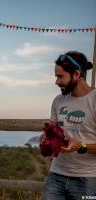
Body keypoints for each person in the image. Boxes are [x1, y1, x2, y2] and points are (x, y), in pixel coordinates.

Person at [41, 51, 96, 199]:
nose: (56, 82)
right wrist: (45, 139)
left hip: (89, 179)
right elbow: (51, 130)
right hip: (56, 175)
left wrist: (80, 146)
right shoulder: (58, 100)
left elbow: (80, 145)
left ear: (77, 74)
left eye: (60, 76)